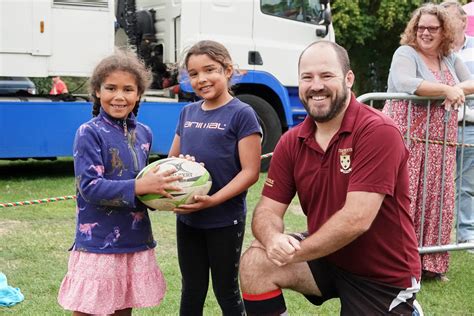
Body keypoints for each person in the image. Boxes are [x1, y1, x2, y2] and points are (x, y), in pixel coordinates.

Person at [239, 40, 421, 315]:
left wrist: (297, 252)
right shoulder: (292, 141)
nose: (316, 86)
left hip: (381, 275)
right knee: (256, 261)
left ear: (348, 79)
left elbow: (356, 219)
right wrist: (273, 240)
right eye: (307, 77)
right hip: (327, 258)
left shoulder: (378, 131)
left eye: (326, 76)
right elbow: (267, 210)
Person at [57, 50, 182, 316]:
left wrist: (170, 190)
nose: (119, 96)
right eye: (111, 88)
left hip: (134, 239)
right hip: (99, 241)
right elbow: (90, 187)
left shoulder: (144, 133)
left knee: (123, 308)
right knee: (89, 309)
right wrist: (139, 188)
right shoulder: (88, 132)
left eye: (128, 89)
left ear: (138, 94)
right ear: (97, 92)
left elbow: (145, 185)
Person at [168, 40, 261, 315]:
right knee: (192, 289)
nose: (201, 79)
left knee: (226, 291)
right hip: (188, 219)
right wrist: (179, 166)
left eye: (209, 70)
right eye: (193, 74)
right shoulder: (188, 112)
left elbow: (250, 172)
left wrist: (213, 200)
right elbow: (172, 161)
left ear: (228, 70)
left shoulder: (243, 114)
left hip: (224, 220)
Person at [382, 3, 474, 280]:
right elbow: (406, 81)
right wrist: (447, 88)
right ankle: (397, 264)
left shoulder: (448, 58)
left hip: (440, 145)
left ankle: (430, 267)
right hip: (407, 141)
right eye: (421, 27)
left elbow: (472, 82)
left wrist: (456, 87)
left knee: (437, 203)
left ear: (444, 31)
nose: (425, 32)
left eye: (432, 28)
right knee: (404, 203)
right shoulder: (406, 53)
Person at [441, 0, 474, 253]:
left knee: (465, 185)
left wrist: (452, 90)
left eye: (449, 18)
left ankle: (465, 236)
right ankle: (437, 238)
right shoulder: (435, 51)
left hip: (467, 124)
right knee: (436, 183)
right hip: (438, 127)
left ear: (462, 22)